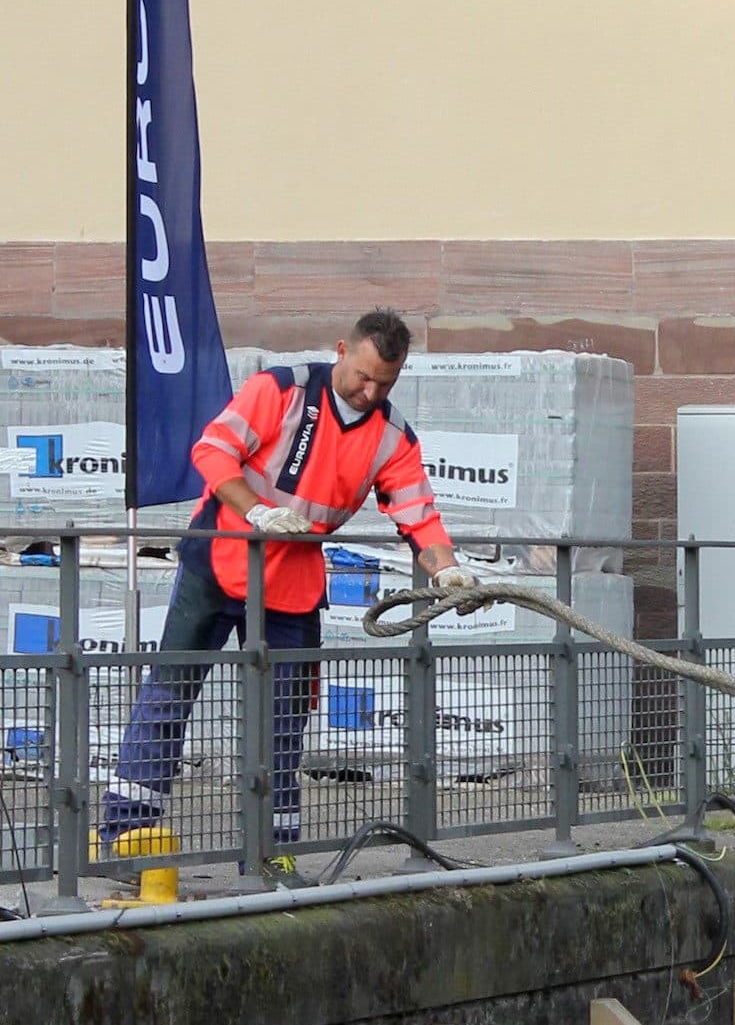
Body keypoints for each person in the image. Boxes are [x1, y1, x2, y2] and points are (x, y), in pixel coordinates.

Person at [99, 309, 478, 868]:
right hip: (219, 562)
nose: (371, 391)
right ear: (340, 351)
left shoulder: (392, 437)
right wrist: (257, 512)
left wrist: (447, 568)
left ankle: (271, 851)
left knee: (282, 719)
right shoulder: (281, 389)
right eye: (363, 377)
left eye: (385, 383)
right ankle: (123, 834)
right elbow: (212, 451)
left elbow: (418, 514)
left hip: (293, 584)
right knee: (170, 692)